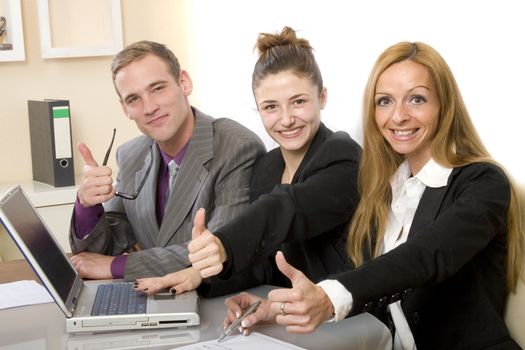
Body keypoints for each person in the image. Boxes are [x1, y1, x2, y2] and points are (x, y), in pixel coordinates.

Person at [225, 41, 524, 349]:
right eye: (384, 102)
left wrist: (328, 297)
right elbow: (368, 280)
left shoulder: (484, 183)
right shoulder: (383, 187)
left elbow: (422, 258)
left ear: (445, 106)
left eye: (417, 99)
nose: (398, 116)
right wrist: (282, 309)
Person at [134, 27, 361, 297]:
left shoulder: (342, 155)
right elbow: (264, 266)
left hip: (347, 317)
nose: (286, 119)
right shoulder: (268, 167)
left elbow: (286, 208)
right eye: (271, 107)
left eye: (298, 102)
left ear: (322, 97)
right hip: (288, 315)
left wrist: (224, 243)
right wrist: (200, 276)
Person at [69, 40, 266, 282]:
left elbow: (218, 249)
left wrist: (118, 266)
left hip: (218, 299)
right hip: (154, 299)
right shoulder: (130, 155)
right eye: (134, 99)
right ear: (125, 109)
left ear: (184, 82)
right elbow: (103, 250)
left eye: (158, 88)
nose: (149, 107)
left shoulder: (237, 147)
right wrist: (86, 205)